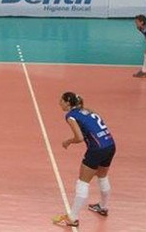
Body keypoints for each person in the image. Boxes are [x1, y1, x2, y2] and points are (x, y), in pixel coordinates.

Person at [52, 92, 115, 228]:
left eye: (61, 101)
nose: (59, 103)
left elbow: (79, 138)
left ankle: (72, 218)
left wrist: (68, 141)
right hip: (110, 144)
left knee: (83, 181)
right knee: (102, 176)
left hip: (97, 149)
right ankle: (103, 207)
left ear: (68, 103)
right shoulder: (86, 110)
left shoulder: (71, 116)